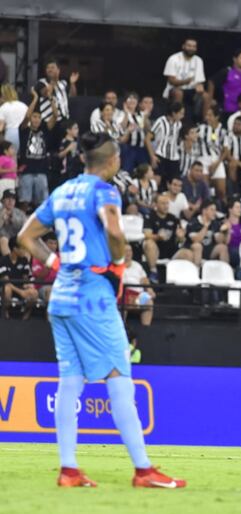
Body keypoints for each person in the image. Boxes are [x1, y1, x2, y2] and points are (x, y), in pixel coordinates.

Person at [17, 132, 185, 487]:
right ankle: (143, 470)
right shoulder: (106, 191)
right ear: (111, 161)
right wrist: (119, 261)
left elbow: (25, 236)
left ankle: (69, 469)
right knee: (119, 375)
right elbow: (112, 227)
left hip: (61, 296)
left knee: (70, 381)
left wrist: (56, 262)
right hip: (93, 294)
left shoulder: (62, 191)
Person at [19, 88, 56, 208]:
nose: (36, 119)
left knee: (43, 203)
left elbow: (55, 115)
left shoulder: (44, 130)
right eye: (34, 117)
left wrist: (51, 99)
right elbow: (27, 116)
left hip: (41, 171)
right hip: (27, 171)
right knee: (25, 201)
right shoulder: (24, 130)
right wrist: (35, 98)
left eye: (39, 117)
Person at [142, 193, 191, 281]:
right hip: (156, 251)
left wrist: (180, 237)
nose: (166, 206)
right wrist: (158, 237)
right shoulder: (150, 217)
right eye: (162, 203)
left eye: (167, 203)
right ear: (156, 205)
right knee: (149, 243)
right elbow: (147, 235)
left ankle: (182, 280)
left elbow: (180, 240)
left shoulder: (174, 218)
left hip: (171, 251)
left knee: (188, 254)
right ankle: (153, 272)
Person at [162, 38, 206, 118]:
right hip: (174, 89)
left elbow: (200, 80)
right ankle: (177, 119)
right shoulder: (173, 58)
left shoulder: (199, 60)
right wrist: (185, 81)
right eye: (189, 46)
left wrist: (200, 86)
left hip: (192, 90)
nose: (191, 48)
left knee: (206, 95)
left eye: (194, 46)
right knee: (179, 93)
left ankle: (204, 121)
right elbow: (171, 81)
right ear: (183, 46)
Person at [146, 102, 185, 186]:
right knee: (156, 181)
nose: (182, 116)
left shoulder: (179, 124)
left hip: (174, 157)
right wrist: (152, 156)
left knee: (175, 183)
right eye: (181, 113)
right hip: (160, 155)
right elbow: (147, 139)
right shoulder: (161, 121)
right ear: (174, 113)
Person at [0, 235, 38, 319]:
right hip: (7, 287)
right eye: (22, 248)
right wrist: (21, 292)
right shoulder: (3, 260)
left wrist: (27, 285)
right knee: (7, 289)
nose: (25, 251)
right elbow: (6, 282)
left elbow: (25, 277)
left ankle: (26, 314)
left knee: (34, 293)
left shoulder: (24, 260)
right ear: (15, 249)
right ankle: (5, 312)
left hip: (20, 286)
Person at [185, 199, 230, 266]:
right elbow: (196, 240)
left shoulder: (215, 223)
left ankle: (225, 273)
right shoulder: (193, 222)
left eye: (215, 210)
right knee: (198, 246)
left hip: (209, 251)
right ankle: (197, 272)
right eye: (212, 210)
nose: (214, 212)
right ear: (204, 211)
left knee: (222, 247)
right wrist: (205, 227)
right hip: (193, 251)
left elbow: (219, 241)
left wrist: (225, 231)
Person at [196, 106, 228, 200]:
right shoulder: (201, 128)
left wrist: (217, 163)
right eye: (207, 115)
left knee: (222, 192)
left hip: (217, 160)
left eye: (210, 115)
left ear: (216, 117)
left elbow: (225, 150)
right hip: (203, 160)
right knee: (206, 190)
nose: (207, 117)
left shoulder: (223, 131)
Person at [36, 58, 78, 125]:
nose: (50, 70)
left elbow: (73, 95)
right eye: (48, 68)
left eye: (52, 67)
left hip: (64, 119)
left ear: (58, 70)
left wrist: (72, 84)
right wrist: (53, 80)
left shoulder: (63, 83)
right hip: (49, 120)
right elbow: (46, 93)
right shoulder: (42, 82)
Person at [121, 244, 154, 327]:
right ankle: (121, 330)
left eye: (130, 250)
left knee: (148, 301)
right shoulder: (116, 266)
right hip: (123, 295)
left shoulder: (138, 266)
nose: (128, 253)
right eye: (125, 251)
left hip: (137, 297)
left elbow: (144, 280)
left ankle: (145, 331)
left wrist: (149, 289)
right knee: (123, 301)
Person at [120, 92, 150, 173]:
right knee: (127, 170)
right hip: (128, 147)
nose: (132, 101)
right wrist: (126, 113)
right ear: (125, 103)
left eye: (134, 99)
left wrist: (145, 117)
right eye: (130, 99)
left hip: (140, 147)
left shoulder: (140, 115)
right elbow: (121, 128)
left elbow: (146, 129)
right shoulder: (121, 114)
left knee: (144, 171)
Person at [30, 231, 58, 302]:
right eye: (50, 243)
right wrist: (49, 264)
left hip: (58, 286)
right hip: (42, 287)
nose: (53, 246)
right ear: (44, 244)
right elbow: (40, 277)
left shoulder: (60, 256)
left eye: (55, 243)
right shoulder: (37, 256)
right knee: (50, 291)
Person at [0, 83, 28, 149]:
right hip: (25, 134)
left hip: (10, 134)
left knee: (10, 157)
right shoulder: (23, 105)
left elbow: (1, 126)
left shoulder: (3, 107)